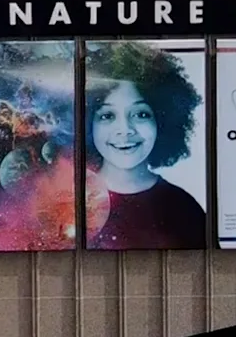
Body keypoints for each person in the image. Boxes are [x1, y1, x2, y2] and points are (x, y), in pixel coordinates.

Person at [84, 41, 207, 250]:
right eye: (107, 115)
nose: (125, 129)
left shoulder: (185, 210)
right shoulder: (66, 200)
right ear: (86, 123)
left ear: (162, 121)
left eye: (141, 114)